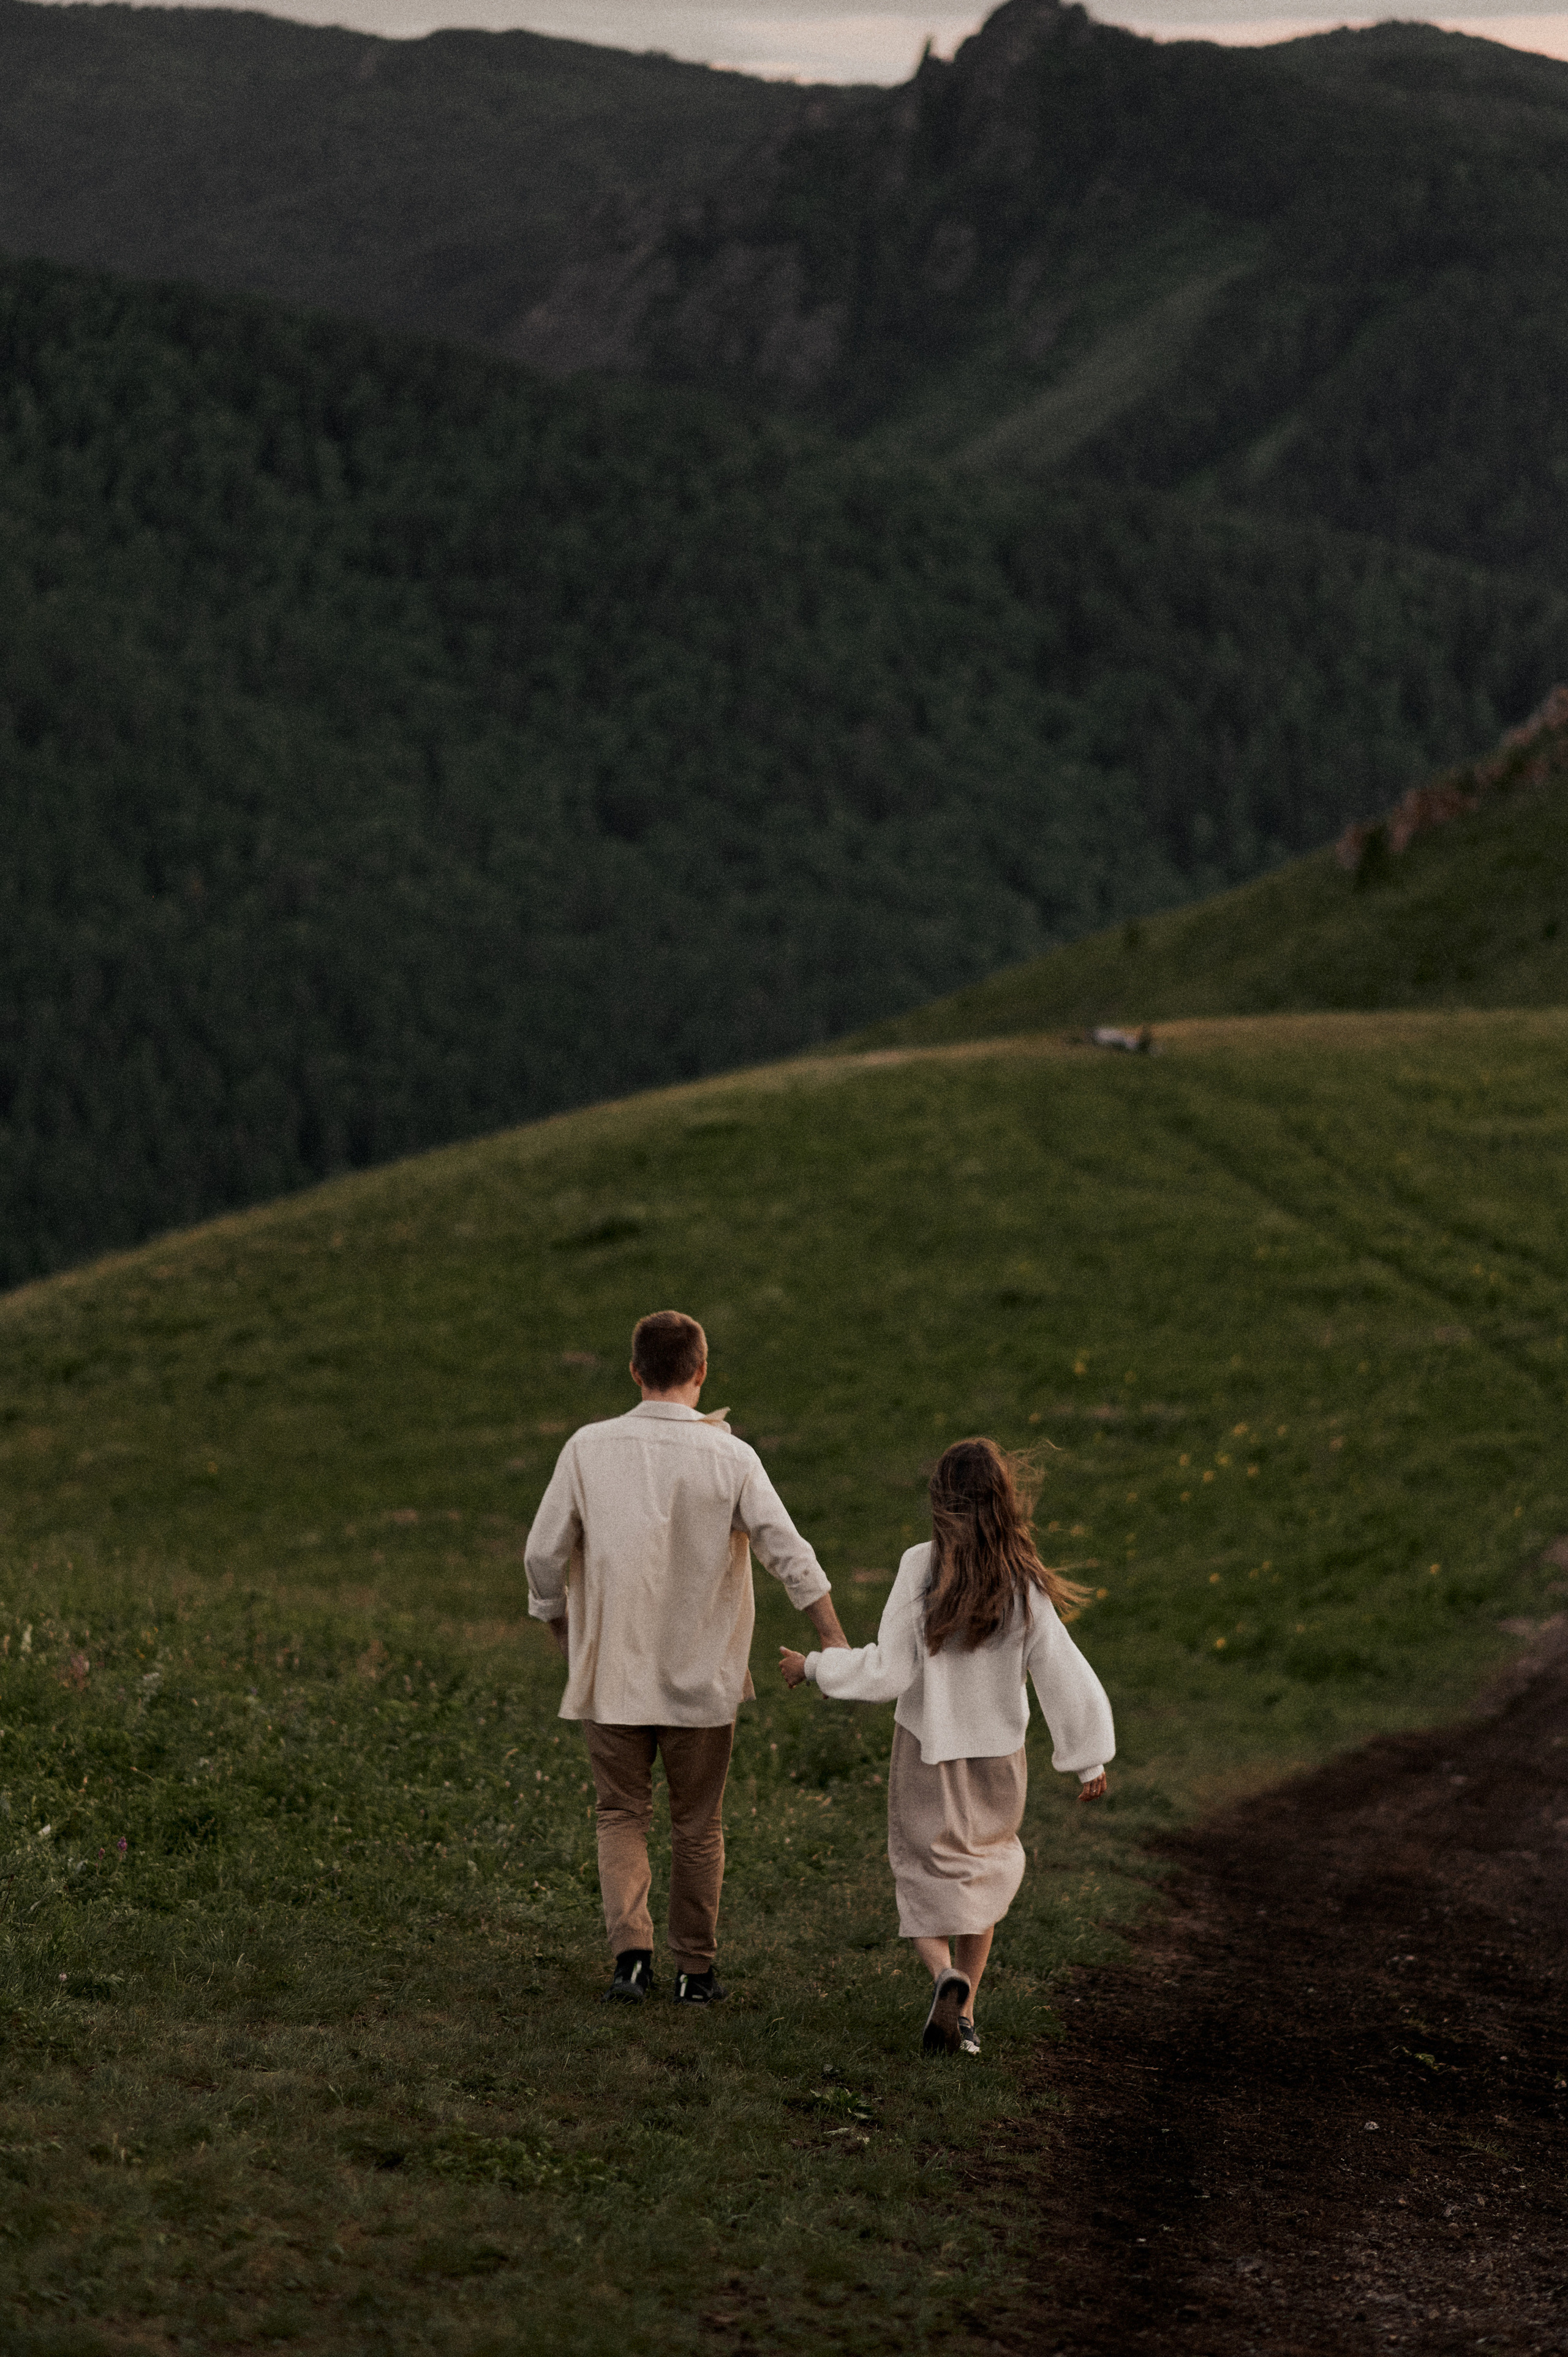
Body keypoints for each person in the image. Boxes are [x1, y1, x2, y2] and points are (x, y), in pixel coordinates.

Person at [526, 1309, 849, 2006]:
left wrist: (563, 1631)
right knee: (698, 1823)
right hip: (704, 1678)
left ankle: (630, 1959)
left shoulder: (587, 1447)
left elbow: (540, 1556)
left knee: (620, 1814)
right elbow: (789, 1552)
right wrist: (832, 1638)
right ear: (701, 1372)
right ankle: (695, 1973)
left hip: (610, 1672)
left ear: (635, 1371)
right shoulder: (732, 1457)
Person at [779, 1437, 1113, 2057]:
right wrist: (1087, 1755)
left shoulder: (918, 1566)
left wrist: (816, 1667)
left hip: (927, 1753)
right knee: (981, 1874)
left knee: (921, 1872)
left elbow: (887, 1673)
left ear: (940, 1500)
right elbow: (1063, 1673)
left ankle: (943, 1978)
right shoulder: (1025, 1583)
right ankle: (966, 2015)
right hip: (998, 1762)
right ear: (1004, 1501)